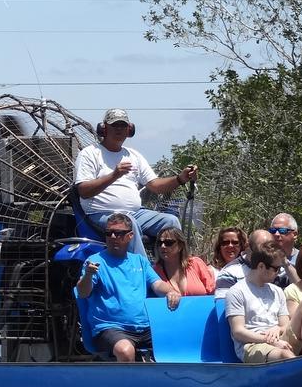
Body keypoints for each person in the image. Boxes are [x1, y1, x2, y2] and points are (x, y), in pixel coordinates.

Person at [73, 108, 199, 256]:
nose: (119, 129)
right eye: (114, 125)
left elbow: (156, 186)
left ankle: (175, 271)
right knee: (128, 223)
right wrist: (114, 175)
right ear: (104, 128)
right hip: (100, 214)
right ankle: (144, 274)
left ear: (129, 129)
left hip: (136, 213)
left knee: (170, 221)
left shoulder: (133, 155)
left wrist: (180, 178)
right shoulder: (89, 153)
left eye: (123, 125)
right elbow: (83, 190)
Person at [76, 212, 181, 362]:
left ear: (130, 236)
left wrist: (171, 291)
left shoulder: (139, 261)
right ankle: (130, 385)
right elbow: (83, 292)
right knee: (125, 351)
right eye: (109, 233)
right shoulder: (94, 262)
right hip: (110, 328)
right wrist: (87, 275)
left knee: (175, 342)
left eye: (118, 233)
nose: (113, 237)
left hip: (144, 327)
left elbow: (157, 284)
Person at [224, 239, 295, 363]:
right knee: (285, 355)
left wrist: (278, 329)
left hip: (279, 338)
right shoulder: (237, 292)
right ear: (261, 266)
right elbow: (238, 332)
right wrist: (270, 341)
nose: (278, 273)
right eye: (276, 268)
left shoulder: (277, 291)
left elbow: (285, 324)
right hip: (252, 345)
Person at [153, 227, 216, 296]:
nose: (163, 246)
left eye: (168, 242)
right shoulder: (155, 271)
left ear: (180, 246)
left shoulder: (196, 263)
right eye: (160, 243)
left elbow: (212, 291)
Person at [215, 228, 273, 299]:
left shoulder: (276, 269)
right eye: (259, 250)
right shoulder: (228, 274)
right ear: (248, 246)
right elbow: (223, 306)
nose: (264, 255)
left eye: (269, 250)